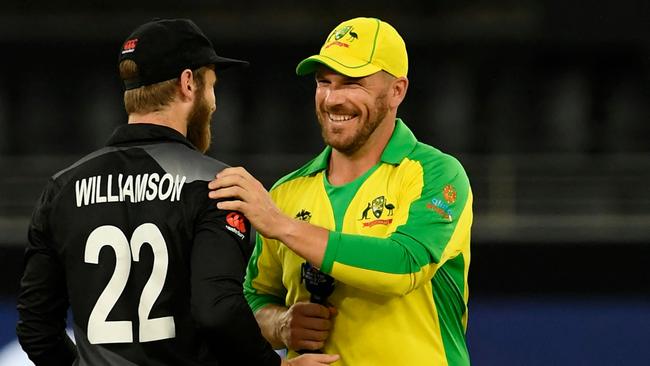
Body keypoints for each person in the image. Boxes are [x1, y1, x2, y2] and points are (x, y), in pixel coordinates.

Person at [15, 18, 338, 366]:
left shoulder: (62, 188)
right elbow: (217, 312)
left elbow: (36, 328)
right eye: (212, 86)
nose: (213, 103)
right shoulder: (216, 183)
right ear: (188, 83)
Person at [209, 17, 473, 365]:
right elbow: (254, 298)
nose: (333, 99)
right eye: (324, 82)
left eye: (352, 83)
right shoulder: (287, 192)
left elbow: (404, 266)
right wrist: (282, 325)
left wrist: (285, 226)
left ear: (397, 90)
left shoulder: (435, 174)